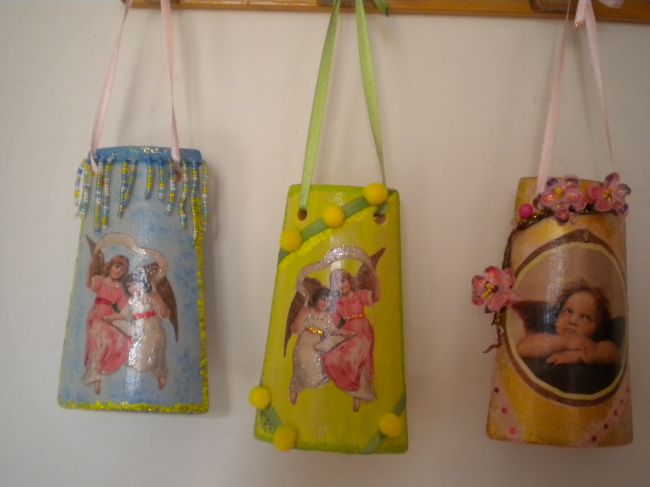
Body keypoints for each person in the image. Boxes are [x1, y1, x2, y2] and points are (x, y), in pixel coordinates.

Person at [105, 249, 172, 390]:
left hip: (153, 329)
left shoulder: (150, 297)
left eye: (135, 284)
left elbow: (164, 313)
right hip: (139, 331)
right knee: (140, 356)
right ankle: (144, 382)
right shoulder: (131, 302)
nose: (133, 288)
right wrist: (111, 318)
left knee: (155, 355)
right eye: (130, 286)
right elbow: (123, 315)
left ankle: (160, 379)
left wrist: (157, 299)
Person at [517, 281, 619, 366]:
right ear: (557, 317)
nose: (573, 321)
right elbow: (522, 348)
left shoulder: (594, 344)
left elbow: (612, 352)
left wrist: (580, 356)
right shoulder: (550, 335)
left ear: (598, 330)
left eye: (586, 317)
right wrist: (565, 342)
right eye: (568, 311)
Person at [83, 234, 134, 395]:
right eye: (117, 266)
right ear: (111, 266)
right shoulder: (101, 280)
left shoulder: (122, 290)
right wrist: (91, 265)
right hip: (96, 317)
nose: (119, 271)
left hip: (109, 319)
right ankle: (94, 377)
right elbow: (89, 283)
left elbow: (120, 310)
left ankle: (100, 371)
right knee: (101, 341)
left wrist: (114, 317)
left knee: (120, 341)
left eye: (123, 270)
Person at [323, 269, 380, 412]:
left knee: (351, 356)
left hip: (362, 331)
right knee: (329, 358)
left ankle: (359, 392)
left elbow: (375, 297)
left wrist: (375, 279)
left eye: (342, 281)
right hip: (346, 332)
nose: (341, 286)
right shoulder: (338, 303)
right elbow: (333, 323)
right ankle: (355, 391)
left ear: (349, 280)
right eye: (336, 284)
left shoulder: (359, 295)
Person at [289, 288, 341, 405]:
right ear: (317, 299)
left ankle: (297, 387)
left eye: (328, 301)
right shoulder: (308, 312)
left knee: (317, 374)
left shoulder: (327, 317)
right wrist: (301, 314)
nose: (325, 303)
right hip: (304, 345)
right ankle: (295, 388)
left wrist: (343, 333)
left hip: (318, 347)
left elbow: (334, 331)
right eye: (323, 299)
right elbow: (294, 330)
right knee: (303, 368)